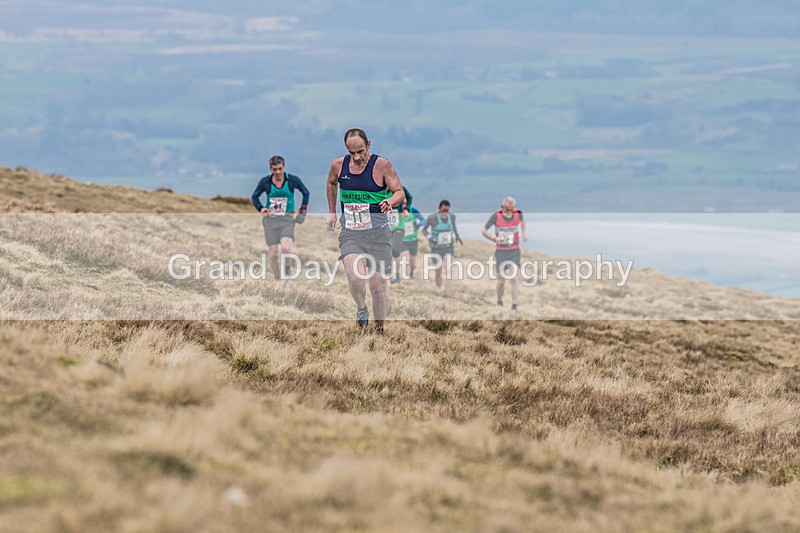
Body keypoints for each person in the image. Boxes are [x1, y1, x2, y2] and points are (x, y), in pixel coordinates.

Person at [326, 128, 405, 333]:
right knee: (355, 277)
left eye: (360, 151)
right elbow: (331, 183)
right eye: (352, 153)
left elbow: (399, 192)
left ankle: (379, 328)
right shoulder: (338, 165)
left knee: (378, 288)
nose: (357, 157)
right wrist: (332, 212)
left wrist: (389, 200)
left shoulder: (382, 165)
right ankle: (361, 309)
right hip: (351, 233)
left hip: (378, 234)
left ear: (368, 144)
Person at [251, 155, 310, 279]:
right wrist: (261, 208)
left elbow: (306, 192)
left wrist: (302, 211)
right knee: (273, 255)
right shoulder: (265, 182)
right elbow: (255, 196)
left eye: (280, 168)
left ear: (284, 167)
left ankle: (287, 271)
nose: (278, 172)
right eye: (274, 169)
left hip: (287, 220)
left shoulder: (293, 180)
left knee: (286, 248)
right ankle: (278, 279)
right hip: (270, 221)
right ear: (270, 169)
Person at [481, 196, 527, 310]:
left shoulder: (518, 214)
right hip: (501, 251)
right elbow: (483, 230)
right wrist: (494, 239)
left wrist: (523, 233)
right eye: (507, 209)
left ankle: (514, 305)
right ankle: (499, 301)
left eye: (511, 209)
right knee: (501, 280)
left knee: (514, 278)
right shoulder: (495, 216)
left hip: (514, 250)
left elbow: (522, 220)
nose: (509, 211)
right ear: (502, 207)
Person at [422, 199, 463, 292]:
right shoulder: (432, 218)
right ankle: (439, 288)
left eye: (447, 211)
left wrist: (457, 236)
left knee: (449, 268)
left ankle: (448, 291)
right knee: (438, 271)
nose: (445, 213)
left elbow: (454, 227)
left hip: (448, 247)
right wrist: (430, 238)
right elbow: (424, 230)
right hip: (436, 248)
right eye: (443, 210)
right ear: (439, 208)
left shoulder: (452, 217)